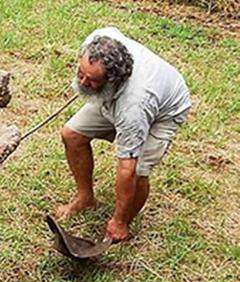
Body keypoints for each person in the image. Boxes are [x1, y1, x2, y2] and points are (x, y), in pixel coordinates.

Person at [57, 27, 191, 241]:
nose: (82, 83)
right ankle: (85, 198)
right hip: (119, 97)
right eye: (81, 73)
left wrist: (118, 220)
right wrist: (90, 78)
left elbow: (127, 167)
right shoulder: (97, 39)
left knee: (138, 171)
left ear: (111, 81)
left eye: (91, 80)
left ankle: (122, 223)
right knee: (72, 135)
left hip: (165, 111)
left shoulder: (134, 107)